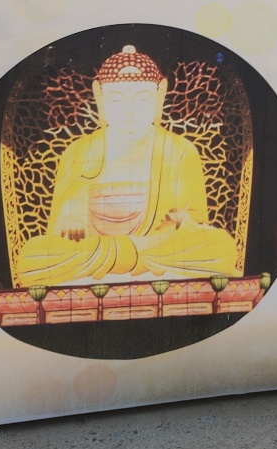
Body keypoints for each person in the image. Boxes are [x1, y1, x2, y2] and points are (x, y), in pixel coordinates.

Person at [15, 46, 240, 287]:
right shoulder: (79, 151)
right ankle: (132, 262)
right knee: (33, 255)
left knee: (220, 246)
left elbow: (197, 222)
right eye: (116, 99)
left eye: (142, 98)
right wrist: (71, 218)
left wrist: (181, 219)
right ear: (100, 96)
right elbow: (60, 222)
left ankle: (125, 260)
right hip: (97, 249)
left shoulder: (180, 150)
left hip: (154, 248)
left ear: (159, 95)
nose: (129, 110)